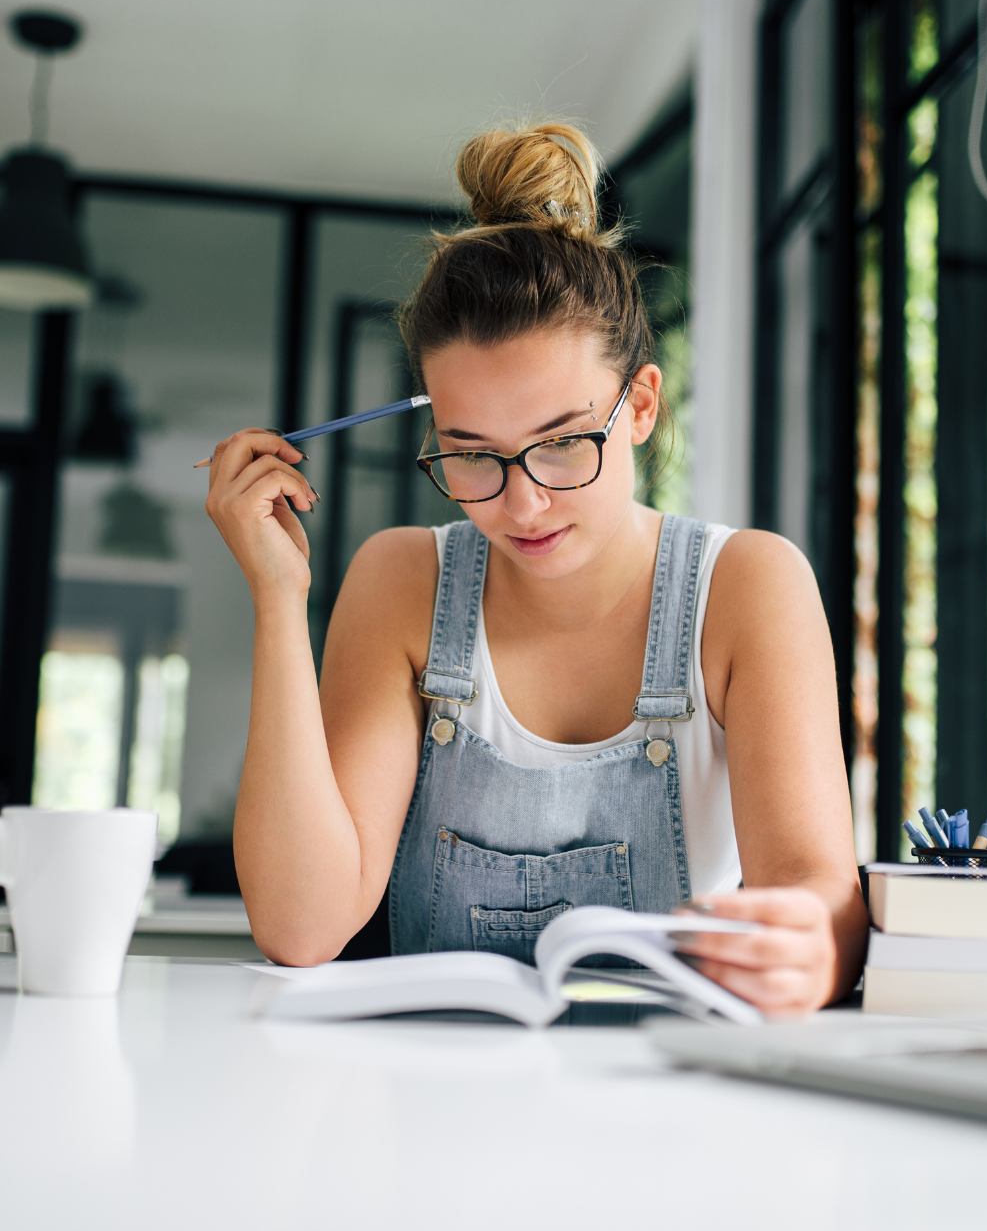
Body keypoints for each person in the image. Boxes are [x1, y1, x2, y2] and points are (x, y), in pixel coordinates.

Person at [205, 121, 867, 1016]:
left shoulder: (748, 587)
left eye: (560, 445)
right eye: (472, 454)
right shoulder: (402, 583)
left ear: (638, 404)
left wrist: (814, 949)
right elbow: (300, 927)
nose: (521, 504)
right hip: (430, 1117)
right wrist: (280, 602)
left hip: (668, 1121)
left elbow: (820, 896)